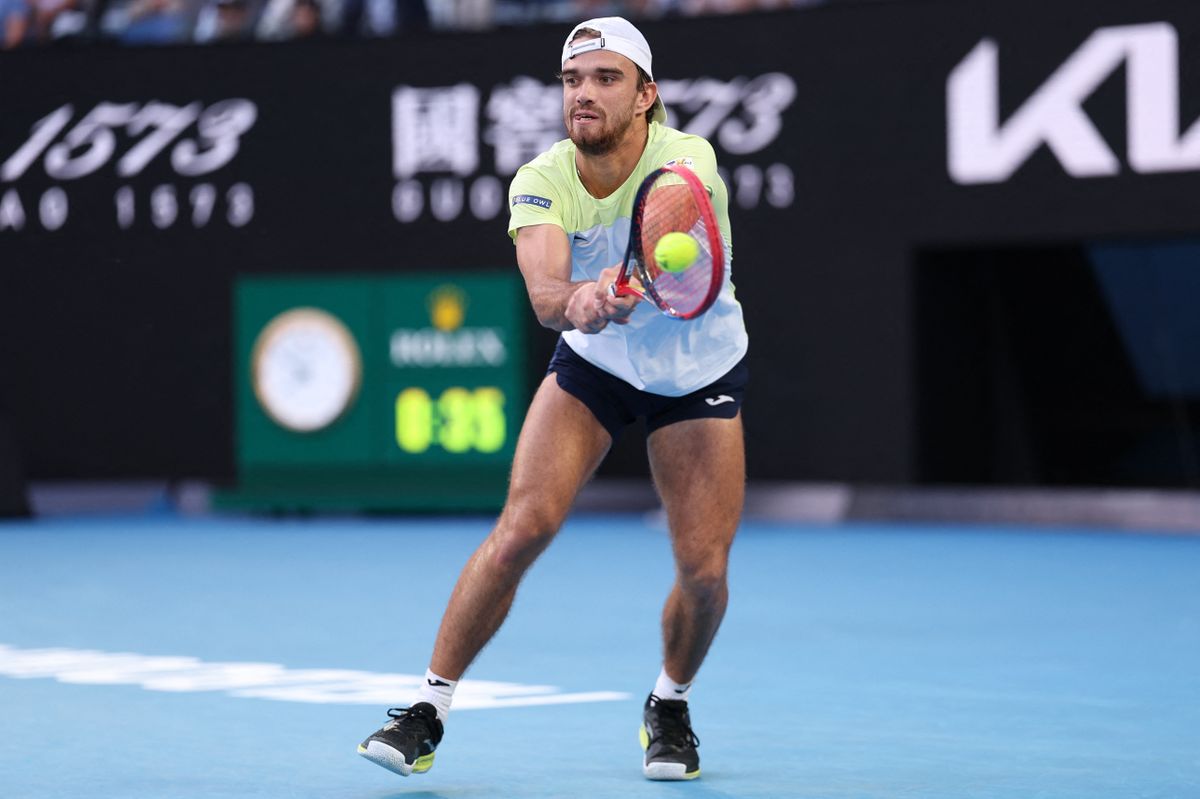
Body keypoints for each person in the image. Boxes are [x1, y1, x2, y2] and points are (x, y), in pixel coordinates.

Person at [358, 15, 748, 782]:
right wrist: (581, 302)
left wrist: (626, 277)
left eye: (606, 79)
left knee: (703, 571)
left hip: (695, 369)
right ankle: (427, 709)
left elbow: (670, 222)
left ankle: (669, 703)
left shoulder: (685, 160)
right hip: (597, 360)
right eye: (573, 80)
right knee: (520, 530)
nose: (585, 94)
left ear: (646, 97)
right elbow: (544, 293)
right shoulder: (540, 179)